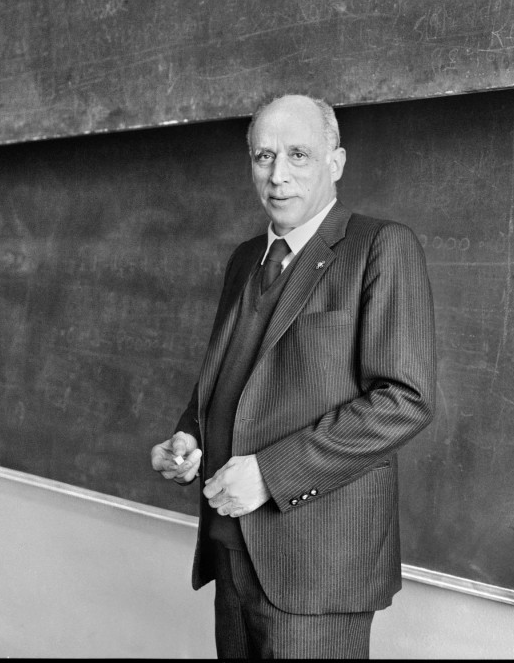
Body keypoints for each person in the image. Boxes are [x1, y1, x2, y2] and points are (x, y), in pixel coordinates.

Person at [150, 94, 436, 658]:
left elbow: (405, 399)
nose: (278, 174)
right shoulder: (244, 259)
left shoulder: (380, 247)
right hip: (230, 549)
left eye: (298, 155)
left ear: (336, 162)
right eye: (264, 156)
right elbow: (230, 377)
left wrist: (270, 475)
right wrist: (190, 437)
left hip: (317, 569)